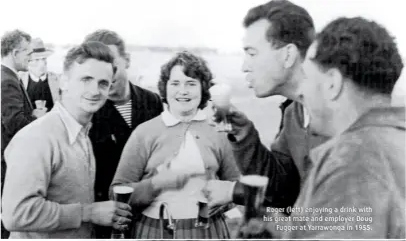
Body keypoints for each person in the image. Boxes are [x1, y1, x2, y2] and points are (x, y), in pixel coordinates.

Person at [248, 16, 405, 239]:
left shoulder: (352, 162)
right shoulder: (394, 142)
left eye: (308, 77)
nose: (301, 92)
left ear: (332, 83)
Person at [2, 41, 132, 239]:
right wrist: (88, 213)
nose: (95, 91)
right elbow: (15, 215)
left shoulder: (82, 134)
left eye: (103, 83)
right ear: (63, 81)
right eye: (85, 79)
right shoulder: (37, 137)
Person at [205, 0, 326, 212]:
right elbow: (281, 191)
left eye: (252, 53)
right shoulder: (294, 114)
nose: (244, 66)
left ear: (288, 55)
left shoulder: (337, 116)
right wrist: (245, 136)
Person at [110, 51, 241, 239]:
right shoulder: (145, 132)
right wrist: (156, 183)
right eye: (175, 83)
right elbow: (117, 192)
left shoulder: (218, 131)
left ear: (204, 89)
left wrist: (225, 201)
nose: (183, 91)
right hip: (154, 231)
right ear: (165, 88)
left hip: (208, 232)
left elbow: (235, 188)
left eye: (191, 83)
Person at [83, 29, 164, 238]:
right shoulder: (87, 111)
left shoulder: (152, 101)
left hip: (150, 213)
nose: (105, 79)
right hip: (107, 220)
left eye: (112, 68)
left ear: (127, 60)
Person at [1, 29, 46, 239]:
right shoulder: (7, 80)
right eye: (28, 52)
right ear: (15, 52)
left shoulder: (8, 77)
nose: (31, 57)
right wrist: (37, 118)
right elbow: (15, 123)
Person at [19, 38, 61, 111]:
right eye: (37, 60)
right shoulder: (19, 80)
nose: (42, 64)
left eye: (44, 59)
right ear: (28, 62)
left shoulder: (57, 80)